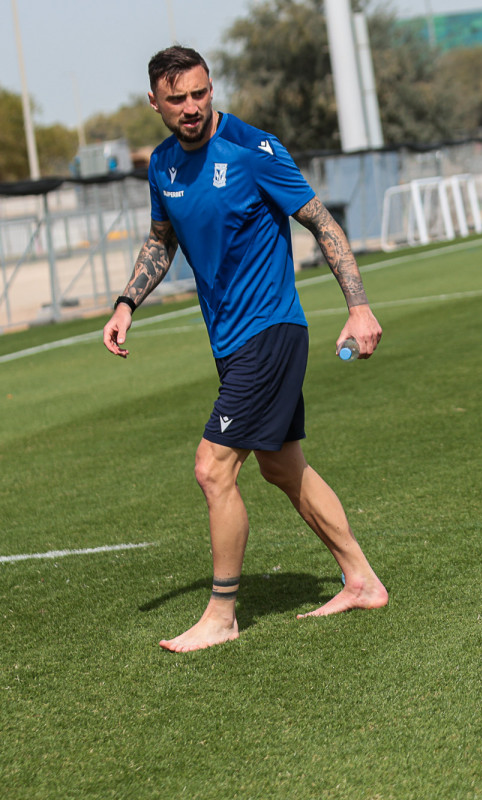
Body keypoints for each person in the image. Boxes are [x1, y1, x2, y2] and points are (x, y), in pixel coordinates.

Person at [102, 46, 388, 652]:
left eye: (200, 93)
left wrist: (358, 306)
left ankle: (222, 614)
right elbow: (161, 240)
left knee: (213, 469)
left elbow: (323, 223)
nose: (191, 107)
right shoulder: (162, 165)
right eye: (176, 99)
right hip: (229, 341)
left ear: (211, 88)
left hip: (271, 330)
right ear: (154, 102)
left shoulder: (252, 148)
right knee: (282, 466)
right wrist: (127, 302)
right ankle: (361, 580)